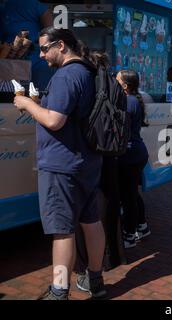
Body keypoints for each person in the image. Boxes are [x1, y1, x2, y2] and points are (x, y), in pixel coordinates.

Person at [13, 27, 106, 300]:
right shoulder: (89, 72)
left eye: (44, 49)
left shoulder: (67, 75)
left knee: (62, 230)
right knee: (91, 222)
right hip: (86, 160)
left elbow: (55, 120)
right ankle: (96, 280)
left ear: (62, 45)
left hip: (62, 164)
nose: (41, 55)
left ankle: (59, 291)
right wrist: (40, 102)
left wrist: (26, 105)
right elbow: (66, 112)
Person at [116, 70, 150, 249]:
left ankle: (129, 235)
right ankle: (142, 226)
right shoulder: (134, 100)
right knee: (132, 193)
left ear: (124, 85)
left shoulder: (128, 101)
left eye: (117, 80)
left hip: (130, 155)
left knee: (127, 196)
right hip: (136, 153)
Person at [1, 0, 55, 91]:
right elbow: (50, 31)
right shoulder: (36, 5)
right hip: (12, 60)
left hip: (29, 59)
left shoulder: (35, 5)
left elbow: (50, 32)